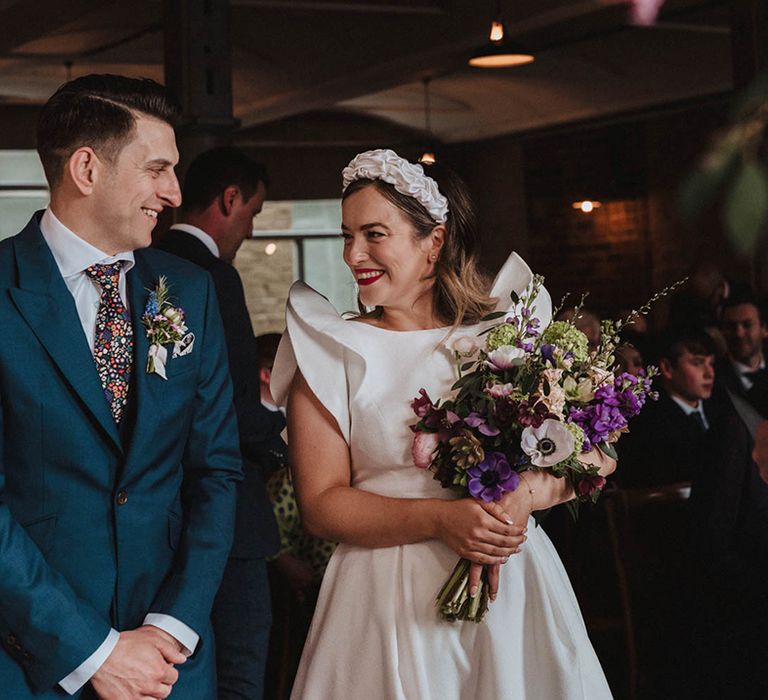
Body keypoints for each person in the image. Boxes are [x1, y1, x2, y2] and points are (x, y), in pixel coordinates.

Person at [271, 149, 615, 699]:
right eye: (346, 235)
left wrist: (524, 495)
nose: (353, 253)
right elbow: (319, 504)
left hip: (511, 593)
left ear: (434, 240)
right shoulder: (329, 347)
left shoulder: (508, 338)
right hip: (384, 600)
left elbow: (597, 457)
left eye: (374, 234)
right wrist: (440, 521)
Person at [0, 75, 241, 699]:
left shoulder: (190, 291)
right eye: (157, 168)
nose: (174, 192)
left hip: (170, 664)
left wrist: (174, 624)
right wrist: (93, 650)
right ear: (86, 167)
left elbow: (216, 470)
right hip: (30, 663)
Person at [155, 147, 285, 700]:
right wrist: (282, 435)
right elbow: (232, 403)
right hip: (226, 515)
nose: (249, 231)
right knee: (237, 670)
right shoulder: (212, 277)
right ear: (230, 199)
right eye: (252, 214)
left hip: (161, 513)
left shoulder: (146, 263)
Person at [617, 326, 724, 487]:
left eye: (711, 363)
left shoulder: (723, 409)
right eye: (697, 363)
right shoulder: (648, 424)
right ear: (667, 368)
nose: (709, 373)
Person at [718, 287, 768, 419]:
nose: (739, 334)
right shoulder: (713, 380)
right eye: (731, 327)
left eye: (747, 325)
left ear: (765, 329)